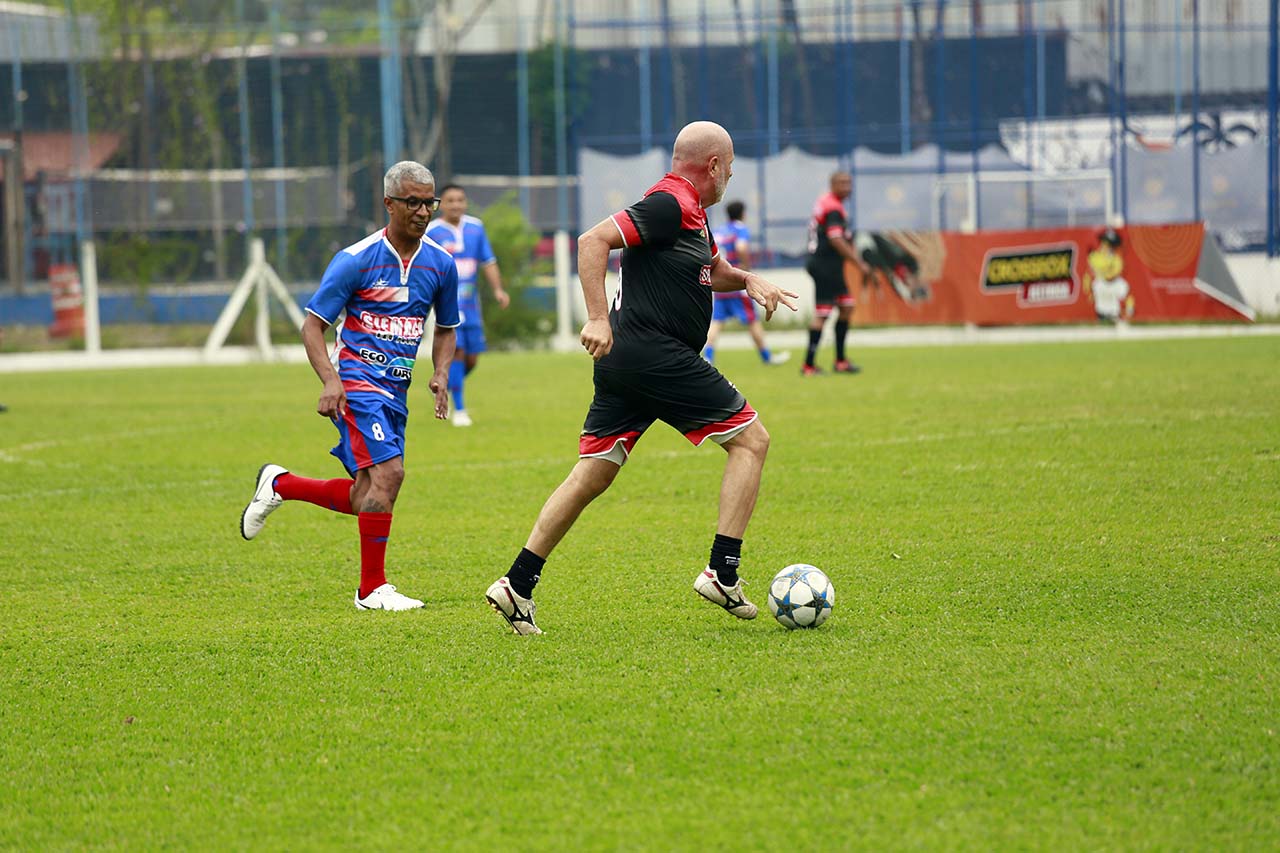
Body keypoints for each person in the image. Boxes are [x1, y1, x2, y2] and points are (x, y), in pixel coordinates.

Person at [483, 121, 798, 635]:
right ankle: (722, 571)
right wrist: (596, 317)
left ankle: (517, 584)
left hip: (629, 363)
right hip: (655, 355)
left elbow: (712, 271)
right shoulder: (669, 203)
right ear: (714, 165)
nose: (730, 178)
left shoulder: (691, 213)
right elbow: (593, 241)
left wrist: (747, 280)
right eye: (730, 168)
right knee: (751, 441)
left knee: (593, 473)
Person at [239, 161, 460, 611]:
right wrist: (330, 380)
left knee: (368, 496)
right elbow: (312, 326)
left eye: (429, 203)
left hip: (396, 391)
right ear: (389, 204)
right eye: (412, 202)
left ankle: (282, 484)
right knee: (390, 475)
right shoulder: (356, 259)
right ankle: (371, 590)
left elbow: (446, 328)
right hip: (357, 383)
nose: (423, 212)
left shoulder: (441, 264)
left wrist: (440, 373)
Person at [425, 183, 510, 427]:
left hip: (472, 305)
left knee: (471, 358)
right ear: (441, 204)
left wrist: (498, 289)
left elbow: (488, 261)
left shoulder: (476, 227)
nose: (456, 205)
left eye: (460, 200)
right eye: (450, 200)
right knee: (457, 352)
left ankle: (445, 384)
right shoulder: (432, 232)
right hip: (446, 304)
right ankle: (460, 410)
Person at [703, 200, 790, 366]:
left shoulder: (719, 231)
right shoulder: (740, 229)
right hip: (736, 281)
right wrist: (746, 270)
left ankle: (708, 356)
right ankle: (767, 357)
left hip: (721, 281)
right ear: (742, 213)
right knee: (752, 320)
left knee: (717, 321)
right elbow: (741, 247)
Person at [803, 171, 862, 376]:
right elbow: (836, 239)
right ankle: (809, 365)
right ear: (833, 184)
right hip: (825, 266)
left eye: (849, 183)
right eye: (842, 183)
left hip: (830, 266)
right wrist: (859, 264)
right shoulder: (833, 208)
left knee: (846, 306)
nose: (847, 187)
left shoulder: (827, 203)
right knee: (823, 314)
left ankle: (840, 361)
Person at [1083, 227, 1133, 323]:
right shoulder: (1095, 257)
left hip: (1115, 311)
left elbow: (1113, 274)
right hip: (1099, 309)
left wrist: (1128, 312)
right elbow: (1089, 275)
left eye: (1110, 244)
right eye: (1105, 242)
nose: (1106, 246)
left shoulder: (1117, 260)